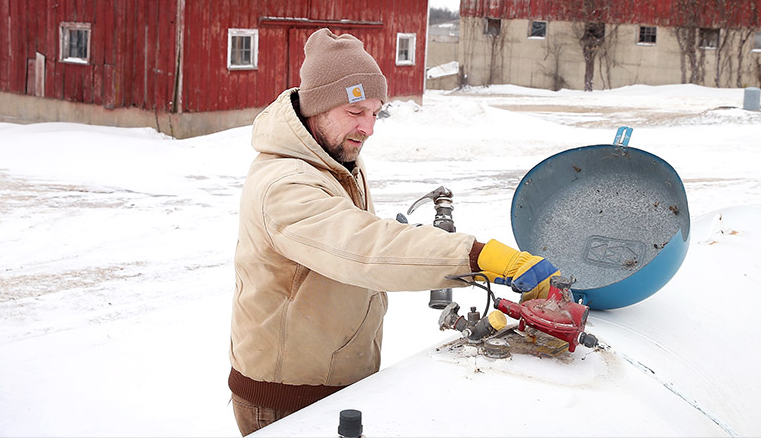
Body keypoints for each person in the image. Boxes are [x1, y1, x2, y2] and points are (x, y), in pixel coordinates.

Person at [228, 28, 560, 436]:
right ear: (317, 105)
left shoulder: (336, 158)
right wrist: (478, 257)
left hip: (334, 380)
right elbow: (366, 248)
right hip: (288, 397)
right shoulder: (285, 183)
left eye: (375, 112)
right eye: (355, 112)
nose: (368, 128)